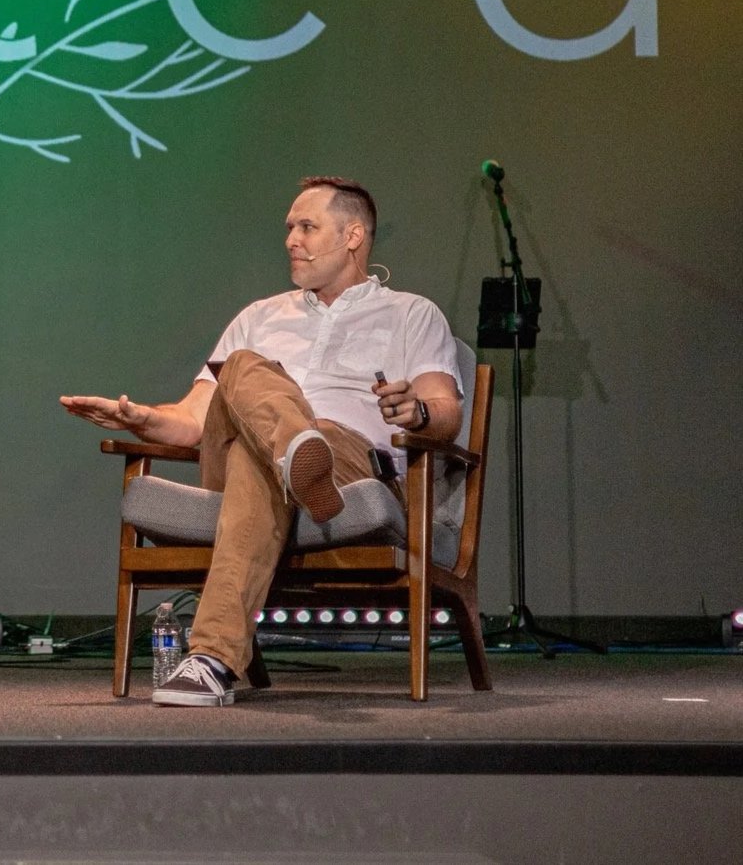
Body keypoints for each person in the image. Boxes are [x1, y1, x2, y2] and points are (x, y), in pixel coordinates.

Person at [61, 177, 463, 707]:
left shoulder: (411, 313)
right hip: (272, 452)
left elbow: (447, 413)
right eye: (289, 228)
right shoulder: (259, 316)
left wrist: (418, 410)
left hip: (350, 462)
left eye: (307, 227)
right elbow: (194, 419)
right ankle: (297, 454)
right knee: (245, 368)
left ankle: (211, 660)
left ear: (353, 235)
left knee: (253, 458)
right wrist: (139, 418)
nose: (291, 239)